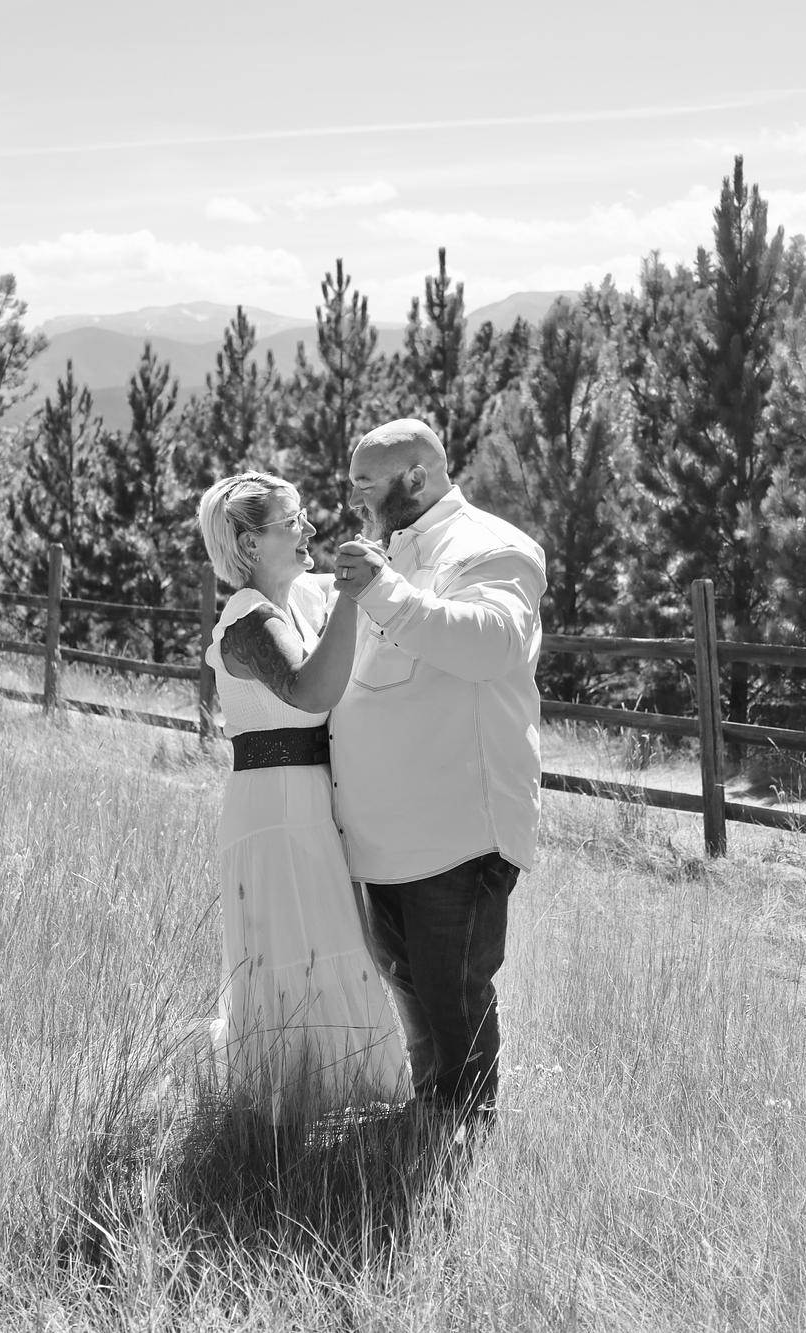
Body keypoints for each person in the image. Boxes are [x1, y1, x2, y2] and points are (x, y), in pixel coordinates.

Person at [328, 419, 546, 1131]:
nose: (355, 500)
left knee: (451, 994)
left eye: (366, 485)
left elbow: (491, 646)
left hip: (457, 829)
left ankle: (461, 1139)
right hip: (387, 834)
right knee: (409, 983)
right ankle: (429, 1124)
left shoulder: (494, 548)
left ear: (417, 477)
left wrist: (383, 590)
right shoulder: (391, 552)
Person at [198, 471, 408, 1123]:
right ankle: (278, 1124)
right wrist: (352, 594)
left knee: (335, 946)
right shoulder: (246, 619)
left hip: (312, 804)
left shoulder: (299, 600)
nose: (310, 529)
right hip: (273, 811)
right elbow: (311, 690)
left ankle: (344, 1108)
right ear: (249, 542)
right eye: (293, 521)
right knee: (292, 956)